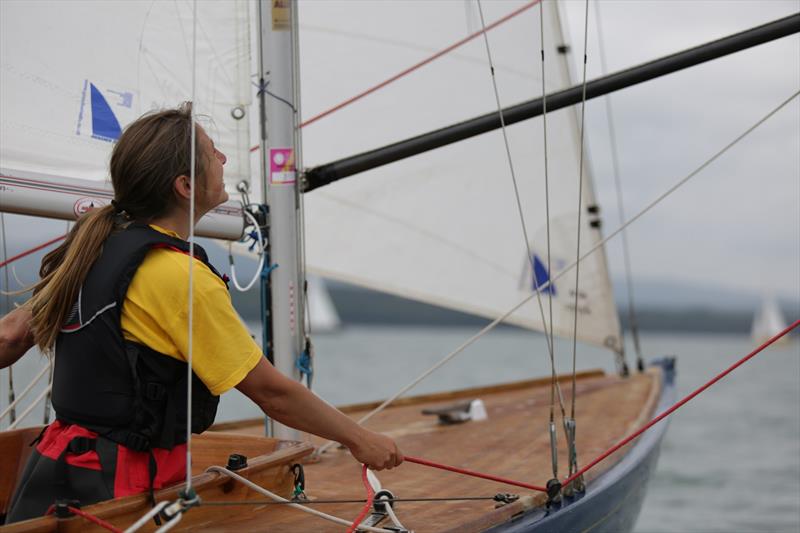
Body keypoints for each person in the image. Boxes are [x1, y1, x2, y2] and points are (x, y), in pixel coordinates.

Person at [4, 103, 403, 523]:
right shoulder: (180, 277)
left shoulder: (90, 249)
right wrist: (361, 440)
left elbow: (10, 336)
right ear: (185, 186)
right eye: (214, 152)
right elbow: (272, 394)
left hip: (55, 467)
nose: (225, 159)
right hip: (122, 486)